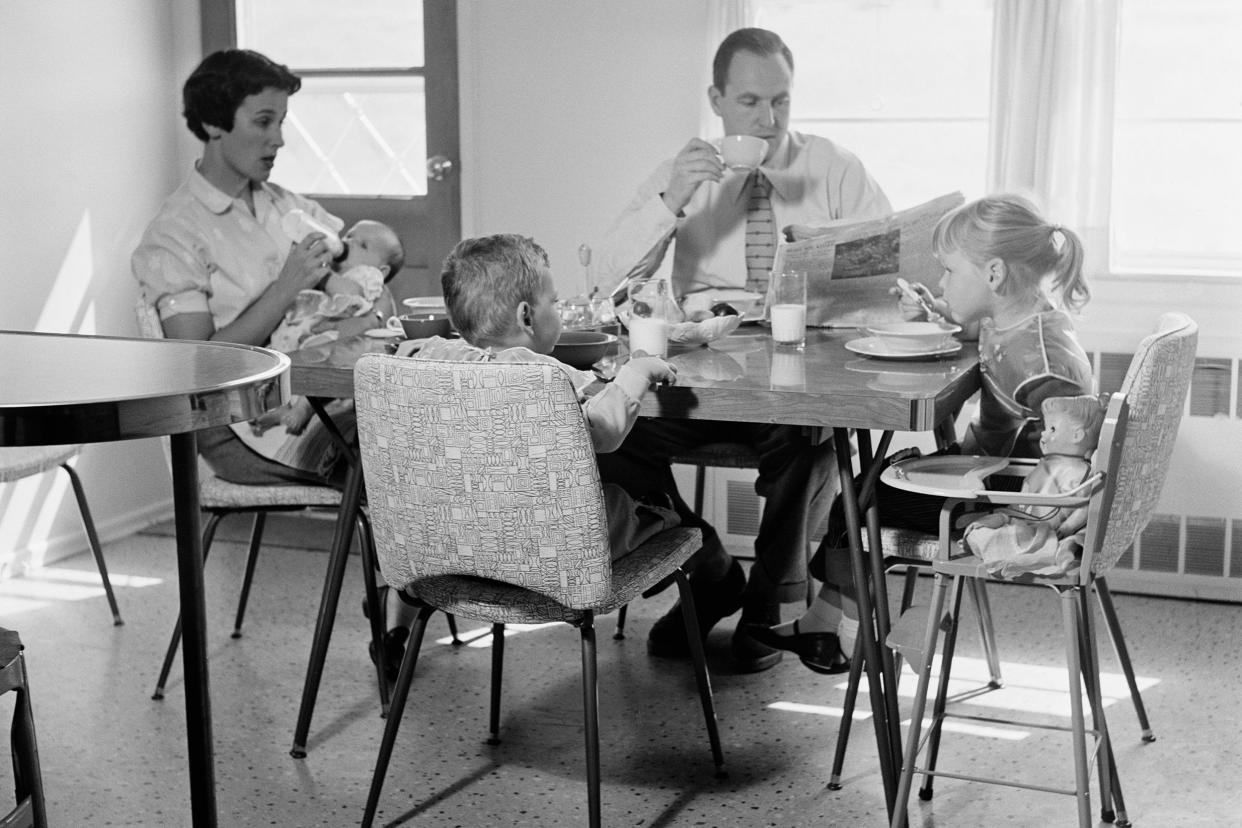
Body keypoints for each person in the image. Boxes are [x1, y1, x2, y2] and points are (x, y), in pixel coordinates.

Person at [591, 28, 892, 672]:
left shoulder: (835, 168)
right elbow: (605, 283)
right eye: (751, 102)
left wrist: (835, 267)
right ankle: (711, 570)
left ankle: (770, 608)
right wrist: (672, 203)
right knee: (594, 441)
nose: (769, 119)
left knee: (810, 437)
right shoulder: (685, 171)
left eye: (781, 101)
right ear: (718, 99)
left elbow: (887, 276)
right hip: (696, 380)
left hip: (793, 381)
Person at [131, 49, 413, 676]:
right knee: (398, 448)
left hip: (321, 395)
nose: (279, 139)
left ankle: (410, 603)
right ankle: (402, 611)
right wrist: (288, 286)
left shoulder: (287, 203)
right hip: (239, 430)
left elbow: (360, 279)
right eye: (263, 122)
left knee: (422, 422)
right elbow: (197, 368)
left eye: (282, 121)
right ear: (212, 126)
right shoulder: (174, 236)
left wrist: (362, 295)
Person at [750, 194, 1094, 674]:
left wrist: (1016, 513)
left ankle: (850, 640)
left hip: (1012, 503)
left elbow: (1071, 452)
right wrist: (944, 312)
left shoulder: (1042, 362)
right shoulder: (1018, 322)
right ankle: (824, 622)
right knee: (865, 487)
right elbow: (995, 348)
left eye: (949, 272)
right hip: (993, 480)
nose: (941, 280)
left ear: (993, 274)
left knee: (860, 501)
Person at [414, 234, 683, 559]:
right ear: (526, 316)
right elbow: (605, 430)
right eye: (554, 302)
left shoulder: (432, 357)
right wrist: (636, 372)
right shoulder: (543, 375)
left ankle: (401, 601)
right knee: (629, 505)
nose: (558, 310)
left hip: (455, 539)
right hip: (545, 546)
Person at [262, 219, 404, 437]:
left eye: (362, 245)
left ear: (381, 270)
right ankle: (279, 408)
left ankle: (303, 408)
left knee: (317, 363)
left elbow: (351, 294)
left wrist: (324, 273)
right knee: (281, 357)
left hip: (335, 338)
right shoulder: (337, 266)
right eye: (349, 236)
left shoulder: (367, 275)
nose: (349, 243)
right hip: (304, 330)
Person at [962, 393, 1106, 579]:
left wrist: (1069, 526)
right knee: (980, 528)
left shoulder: (1082, 472)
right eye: (1046, 428)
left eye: (1052, 429)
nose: (1044, 434)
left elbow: (1087, 505)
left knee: (995, 534)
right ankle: (999, 542)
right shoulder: (1047, 463)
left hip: (1043, 530)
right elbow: (1029, 492)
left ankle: (1016, 554)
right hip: (1022, 518)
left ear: (1077, 435)